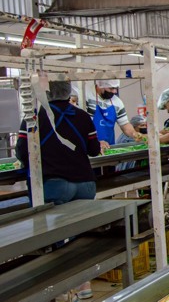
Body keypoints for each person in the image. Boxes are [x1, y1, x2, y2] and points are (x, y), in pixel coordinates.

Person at [16, 81, 101, 300]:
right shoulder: (82, 116)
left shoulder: (33, 117)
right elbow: (94, 150)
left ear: (45, 92)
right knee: (81, 234)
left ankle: (62, 290)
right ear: (68, 92)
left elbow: (23, 151)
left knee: (55, 236)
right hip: (85, 183)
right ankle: (84, 284)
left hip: (55, 185)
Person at [86, 79, 141, 150]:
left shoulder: (117, 102)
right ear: (100, 85)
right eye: (111, 88)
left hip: (109, 147)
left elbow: (125, 124)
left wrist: (135, 134)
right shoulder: (86, 97)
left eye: (116, 88)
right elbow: (82, 126)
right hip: (89, 148)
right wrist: (96, 143)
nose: (115, 91)